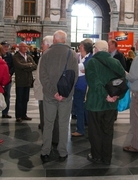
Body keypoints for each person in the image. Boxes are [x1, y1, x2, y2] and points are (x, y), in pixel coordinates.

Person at [39, 30, 78, 163]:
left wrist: (52, 92)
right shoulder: (72, 54)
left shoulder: (46, 53)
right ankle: (62, 152)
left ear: (54, 40)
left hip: (50, 96)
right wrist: (64, 93)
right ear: (65, 40)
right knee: (63, 124)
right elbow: (75, 77)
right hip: (66, 96)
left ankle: (45, 151)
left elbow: (42, 76)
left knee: (48, 124)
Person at [85, 40, 126, 165]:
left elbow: (94, 82)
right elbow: (123, 81)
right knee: (108, 131)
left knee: (95, 131)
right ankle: (107, 157)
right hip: (111, 104)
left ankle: (96, 156)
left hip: (96, 104)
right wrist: (116, 96)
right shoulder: (116, 62)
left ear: (96, 49)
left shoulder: (92, 62)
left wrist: (106, 95)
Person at [33, 35, 59, 145]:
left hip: (45, 92)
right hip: (54, 91)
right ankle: (55, 138)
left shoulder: (45, 56)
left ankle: (48, 140)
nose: (41, 46)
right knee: (54, 117)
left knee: (45, 118)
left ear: (48, 45)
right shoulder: (56, 56)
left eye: (43, 44)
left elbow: (41, 77)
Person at [71, 39, 93, 137]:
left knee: (80, 108)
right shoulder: (81, 58)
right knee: (82, 109)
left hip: (83, 87)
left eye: (80, 45)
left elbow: (76, 69)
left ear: (83, 47)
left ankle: (80, 129)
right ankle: (86, 126)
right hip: (79, 86)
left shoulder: (89, 59)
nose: (79, 47)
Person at [13, 42, 37, 123]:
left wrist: (26, 66)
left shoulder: (29, 57)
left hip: (28, 81)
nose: (25, 48)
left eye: (26, 47)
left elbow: (34, 66)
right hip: (20, 81)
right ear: (19, 47)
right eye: (23, 47)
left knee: (26, 99)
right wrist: (28, 66)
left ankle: (24, 114)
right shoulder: (16, 57)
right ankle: (18, 115)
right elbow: (20, 66)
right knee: (19, 99)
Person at [1, 41, 14, 119]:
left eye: (7, 46)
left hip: (7, 79)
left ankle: (5, 112)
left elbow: (13, 66)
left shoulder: (10, 56)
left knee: (7, 95)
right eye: (4, 46)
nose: (6, 48)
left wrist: (10, 73)